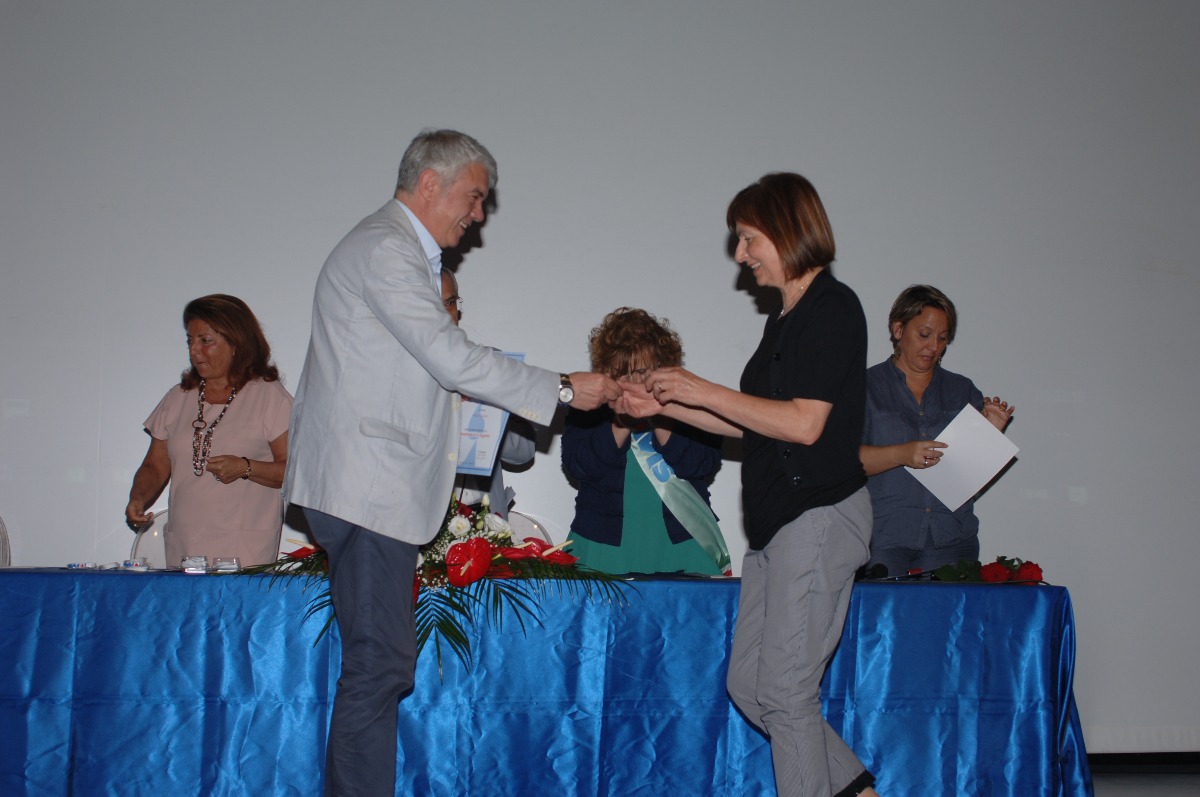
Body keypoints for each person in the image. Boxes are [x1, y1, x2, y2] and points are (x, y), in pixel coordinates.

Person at [284, 129, 620, 797]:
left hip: (365, 488)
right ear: (429, 182)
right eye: (474, 196)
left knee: (379, 664)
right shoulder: (386, 248)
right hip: (366, 488)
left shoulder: (392, 248)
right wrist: (561, 388)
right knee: (378, 666)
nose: (479, 213)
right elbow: (449, 356)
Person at [619, 173, 880, 797]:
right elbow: (753, 426)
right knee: (750, 686)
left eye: (748, 238)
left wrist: (700, 388)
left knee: (786, 693)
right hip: (777, 527)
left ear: (787, 231)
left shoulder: (833, 307)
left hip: (819, 515)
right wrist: (665, 405)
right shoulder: (783, 320)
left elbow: (805, 424)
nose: (740, 254)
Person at [125, 294, 292, 567]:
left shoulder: (270, 396)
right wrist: (138, 497)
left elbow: (293, 471)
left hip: (245, 550)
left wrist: (245, 467)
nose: (194, 350)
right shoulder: (177, 398)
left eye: (205, 340)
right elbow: (155, 465)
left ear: (236, 342)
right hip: (185, 546)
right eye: (190, 341)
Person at [859, 284, 1014, 575]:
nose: (934, 347)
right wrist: (901, 454)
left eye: (942, 338)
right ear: (898, 329)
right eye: (924, 334)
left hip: (952, 540)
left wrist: (990, 436)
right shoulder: (865, 387)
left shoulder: (962, 390)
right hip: (884, 539)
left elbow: (970, 480)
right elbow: (845, 461)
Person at [563, 307, 729, 575]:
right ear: (607, 373)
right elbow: (578, 467)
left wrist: (660, 415)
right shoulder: (589, 407)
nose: (635, 381)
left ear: (662, 368)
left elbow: (702, 464)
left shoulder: (689, 405)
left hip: (682, 542)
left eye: (642, 371)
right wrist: (622, 421)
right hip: (604, 546)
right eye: (623, 372)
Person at [440, 268, 536, 516]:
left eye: (450, 303)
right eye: (433, 303)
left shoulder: (492, 365)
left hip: (485, 520)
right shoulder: (401, 376)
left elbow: (523, 452)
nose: (444, 313)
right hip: (424, 523)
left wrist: (489, 419)